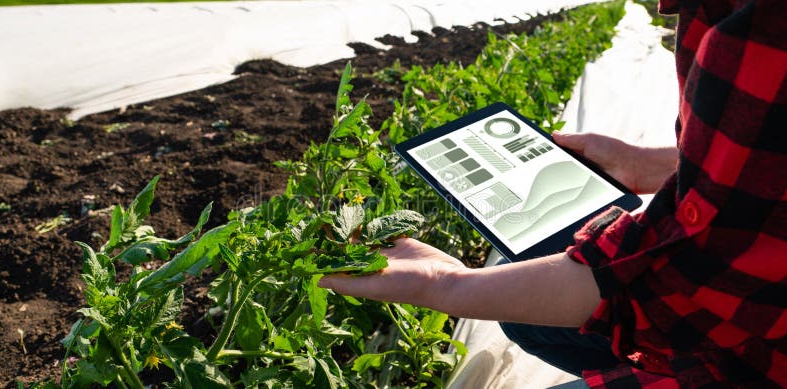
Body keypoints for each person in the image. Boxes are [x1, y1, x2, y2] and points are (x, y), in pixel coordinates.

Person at [319, 0, 786, 386]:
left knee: (532, 292)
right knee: (525, 310)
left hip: (763, 355)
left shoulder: (758, 35)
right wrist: (646, 164)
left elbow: (671, 284)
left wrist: (442, 284)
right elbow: (766, 170)